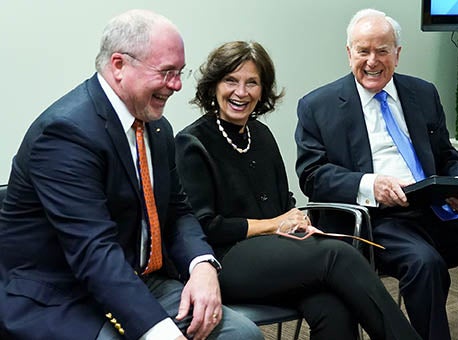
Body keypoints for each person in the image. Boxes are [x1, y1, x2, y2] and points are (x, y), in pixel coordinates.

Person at [0, 9, 263, 340]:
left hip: (137, 279)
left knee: (242, 334)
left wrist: (202, 266)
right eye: (167, 72)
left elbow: (178, 211)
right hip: (66, 296)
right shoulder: (66, 133)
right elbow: (93, 251)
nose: (177, 85)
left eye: (181, 72)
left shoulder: (157, 128)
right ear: (119, 65)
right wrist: (158, 331)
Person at [175, 40, 421, 340]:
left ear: (262, 90)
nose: (241, 92)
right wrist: (275, 224)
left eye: (252, 83)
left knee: (333, 306)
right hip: (223, 262)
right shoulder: (191, 143)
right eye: (231, 81)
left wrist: (296, 218)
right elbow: (206, 227)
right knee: (338, 256)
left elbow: (285, 201)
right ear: (214, 85)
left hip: (273, 256)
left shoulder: (261, 135)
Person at [295, 8, 458, 340]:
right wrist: (370, 184)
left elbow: (449, 156)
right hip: (378, 220)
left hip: (436, 210)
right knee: (425, 264)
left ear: (398, 54)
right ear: (349, 53)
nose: (372, 60)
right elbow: (312, 175)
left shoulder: (423, 94)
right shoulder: (317, 106)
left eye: (382, 50)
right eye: (363, 51)